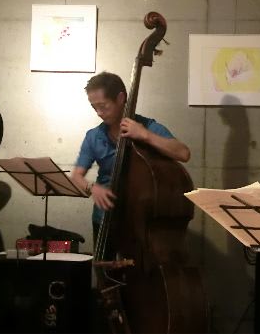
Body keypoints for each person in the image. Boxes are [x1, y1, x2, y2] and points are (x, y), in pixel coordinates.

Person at [71, 71, 190, 244]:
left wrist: (145, 135)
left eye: (103, 106)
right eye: (94, 107)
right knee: (104, 261)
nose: (99, 112)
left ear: (120, 98)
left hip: (142, 219)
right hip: (104, 217)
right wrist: (92, 188)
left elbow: (183, 153)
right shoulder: (93, 136)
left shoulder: (147, 126)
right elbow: (76, 176)